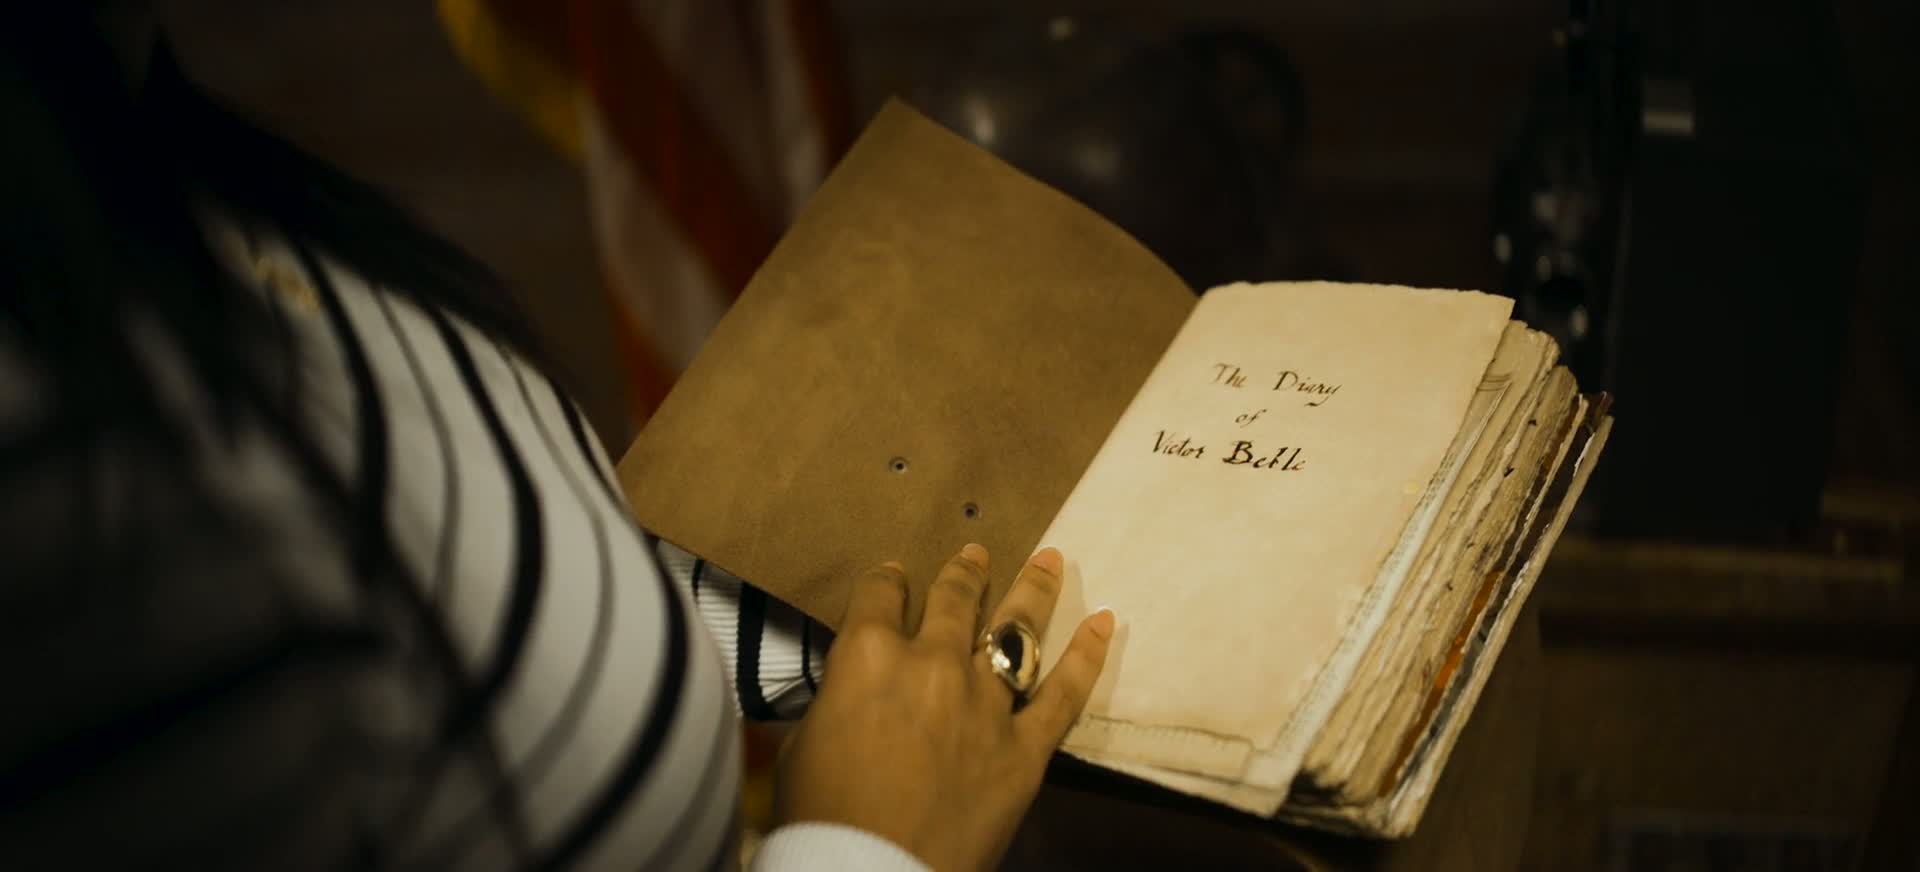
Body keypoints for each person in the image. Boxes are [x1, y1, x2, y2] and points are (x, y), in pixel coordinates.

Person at [0, 7, 1114, 870]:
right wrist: (871, 848)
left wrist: (828, 643)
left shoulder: (121, 122)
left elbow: (454, 582)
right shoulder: (56, 495)